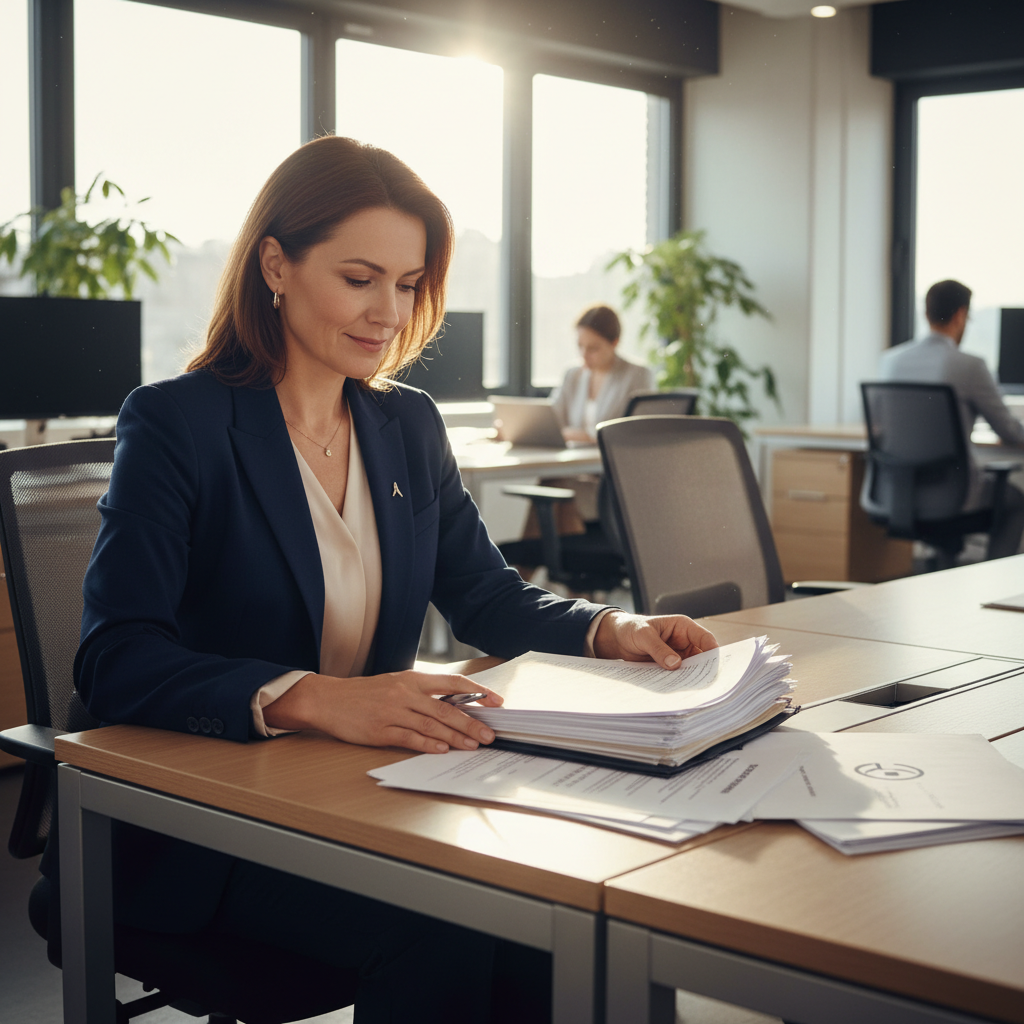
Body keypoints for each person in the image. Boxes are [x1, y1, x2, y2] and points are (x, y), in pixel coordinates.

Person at [68, 136, 717, 1022]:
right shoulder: (178, 423)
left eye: (409, 284)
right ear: (276, 265)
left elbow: (485, 594)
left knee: (563, 900)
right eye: (360, 277)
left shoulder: (405, 424)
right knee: (455, 922)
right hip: (203, 826)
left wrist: (612, 631)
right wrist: (319, 698)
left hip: (367, 796)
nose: (390, 312)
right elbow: (116, 658)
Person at [879, 278, 1024, 558]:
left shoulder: (891, 361)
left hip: (897, 493)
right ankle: (993, 583)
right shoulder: (969, 365)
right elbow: (1010, 431)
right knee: (1016, 502)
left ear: (926, 313)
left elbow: (880, 426)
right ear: (960, 315)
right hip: (952, 497)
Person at [551, 304, 655, 444]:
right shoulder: (572, 375)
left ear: (614, 343)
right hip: (573, 460)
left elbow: (640, 433)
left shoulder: (637, 375)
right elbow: (552, 420)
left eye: (593, 349)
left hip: (614, 462)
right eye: (580, 346)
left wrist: (589, 438)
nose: (584, 355)